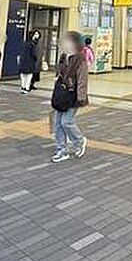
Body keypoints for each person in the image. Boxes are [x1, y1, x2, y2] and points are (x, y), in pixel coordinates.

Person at [51, 31, 89, 163]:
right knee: (57, 124)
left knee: (66, 122)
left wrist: (81, 98)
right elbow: (59, 74)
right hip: (62, 95)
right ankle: (62, 149)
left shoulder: (80, 60)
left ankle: (79, 141)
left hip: (73, 96)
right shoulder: (63, 57)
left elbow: (82, 80)